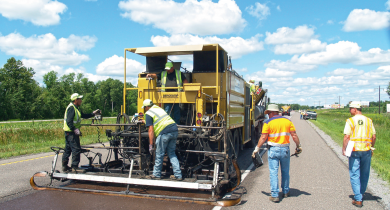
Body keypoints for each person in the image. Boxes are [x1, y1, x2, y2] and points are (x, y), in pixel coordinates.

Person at [252, 104, 302, 202]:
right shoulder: (288, 121)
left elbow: (263, 137)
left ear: (272, 113)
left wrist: (257, 148)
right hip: (285, 150)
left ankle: (274, 195)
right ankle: (286, 192)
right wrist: (298, 146)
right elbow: (294, 135)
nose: (268, 115)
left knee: (273, 172)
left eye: (268, 113)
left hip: (273, 150)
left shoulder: (267, 123)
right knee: (285, 171)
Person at [342, 102, 376, 208]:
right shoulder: (369, 120)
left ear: (355, 109)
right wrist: (371, 147)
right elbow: (373, 136)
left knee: (354, 173)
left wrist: (344, 149)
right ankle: (360, 194)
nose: (349, 110)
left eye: (350, 108)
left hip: (354, 150)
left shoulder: (350, 121)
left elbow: (347, 136)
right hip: (366, 150)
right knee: (365, 173)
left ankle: (358, 198)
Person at [142, 99, 182, 181]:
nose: (144, 109)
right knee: (172, 153)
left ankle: (156, 174)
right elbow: (159, 120)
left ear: (146, 107)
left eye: (144, 108)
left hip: (164, 132)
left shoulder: (148, 113)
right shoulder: (158, 108)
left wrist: (151, 145)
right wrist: (145, 121)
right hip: (174, 129)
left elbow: (150, 130)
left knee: (159, 154)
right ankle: (178, 175)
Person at [62, 93, 100, 173]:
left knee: (68, 149)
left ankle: (65, 166)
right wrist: (75, 129)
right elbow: (69, 121)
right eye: (80, 99)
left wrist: (93, 114)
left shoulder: (76, 108)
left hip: (69, 133)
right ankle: (75, 167)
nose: (81, 101)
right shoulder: (72, 108)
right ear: (76, 100)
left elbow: (84, 115)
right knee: (76, 149)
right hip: (71, 133)